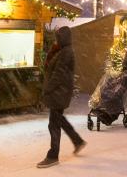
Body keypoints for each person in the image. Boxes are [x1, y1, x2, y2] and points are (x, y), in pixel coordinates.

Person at [37, 26, 86, 169]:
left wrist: (47, 89)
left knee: (54, 124)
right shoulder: (61, 50)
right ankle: (77, 141)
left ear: (63, 38)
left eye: (58, 37)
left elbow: (59, 74)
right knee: (59, 119)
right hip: (59, 91)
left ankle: (53, 155)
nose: (56, 40)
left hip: (59, 92)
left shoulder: (66, 52)